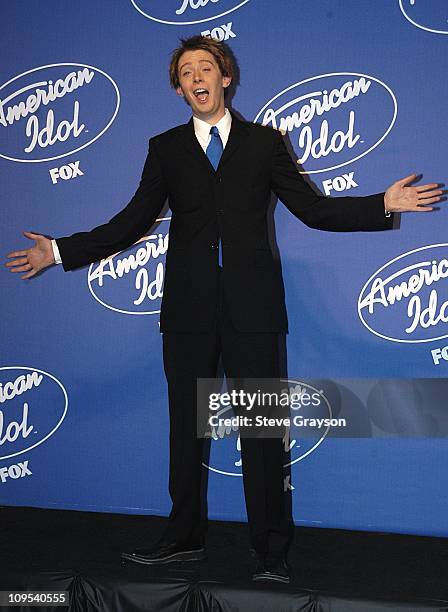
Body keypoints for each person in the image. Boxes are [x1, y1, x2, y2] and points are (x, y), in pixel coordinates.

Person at [5, 35, 443, 584]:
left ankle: (271, 553)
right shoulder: (165, 148)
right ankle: (183, 538)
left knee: (260, 431)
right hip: (186, 313)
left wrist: (382, 203)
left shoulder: (265, 143)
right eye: (185, 71)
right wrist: (58, 250)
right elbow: (131, 222)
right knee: (185, 429)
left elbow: (312, 210)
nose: (196, 77)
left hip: (254, 311)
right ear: (180, 88)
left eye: (204, 67)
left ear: (225, 77)